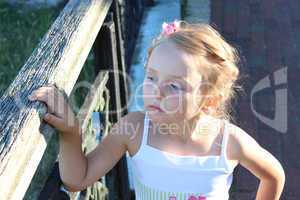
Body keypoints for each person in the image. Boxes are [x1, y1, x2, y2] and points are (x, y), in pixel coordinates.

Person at [28, 20, 285, 200]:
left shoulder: (228, 142)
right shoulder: (134, 129)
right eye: (151, 77)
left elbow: (274, 176)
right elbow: (78, 179)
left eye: (174, 85)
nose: (156, 91)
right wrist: (71, 133)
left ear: (209, 100)